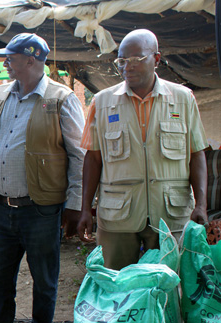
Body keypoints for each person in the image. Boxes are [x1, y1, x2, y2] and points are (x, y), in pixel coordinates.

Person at [0, 33, 85, 323]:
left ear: (31, 60)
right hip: (3, 207)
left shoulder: (61, 99)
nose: (5, 62)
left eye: (11, 57)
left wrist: (75, 205)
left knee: (44, 279)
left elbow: (78, 156)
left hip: (43, 208)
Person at [77, 29, 208, 269]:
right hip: (118, 217)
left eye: (137, 59)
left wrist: (201, 205)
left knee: (168, 287)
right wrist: (85, 208)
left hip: (170, 216)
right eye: (122, 61)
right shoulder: (102, 102)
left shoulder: (183, 99)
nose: (128, 66)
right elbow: (93, 159)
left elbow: (196, 153)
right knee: (116, 285)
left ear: (156, 59)